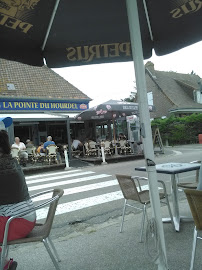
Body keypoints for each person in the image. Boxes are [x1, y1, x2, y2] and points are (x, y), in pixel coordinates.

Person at [0, 130, 36, 270]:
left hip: (16, 222)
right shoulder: (10, 161)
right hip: (26, 217)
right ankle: (4, 263)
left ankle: (4, 264)